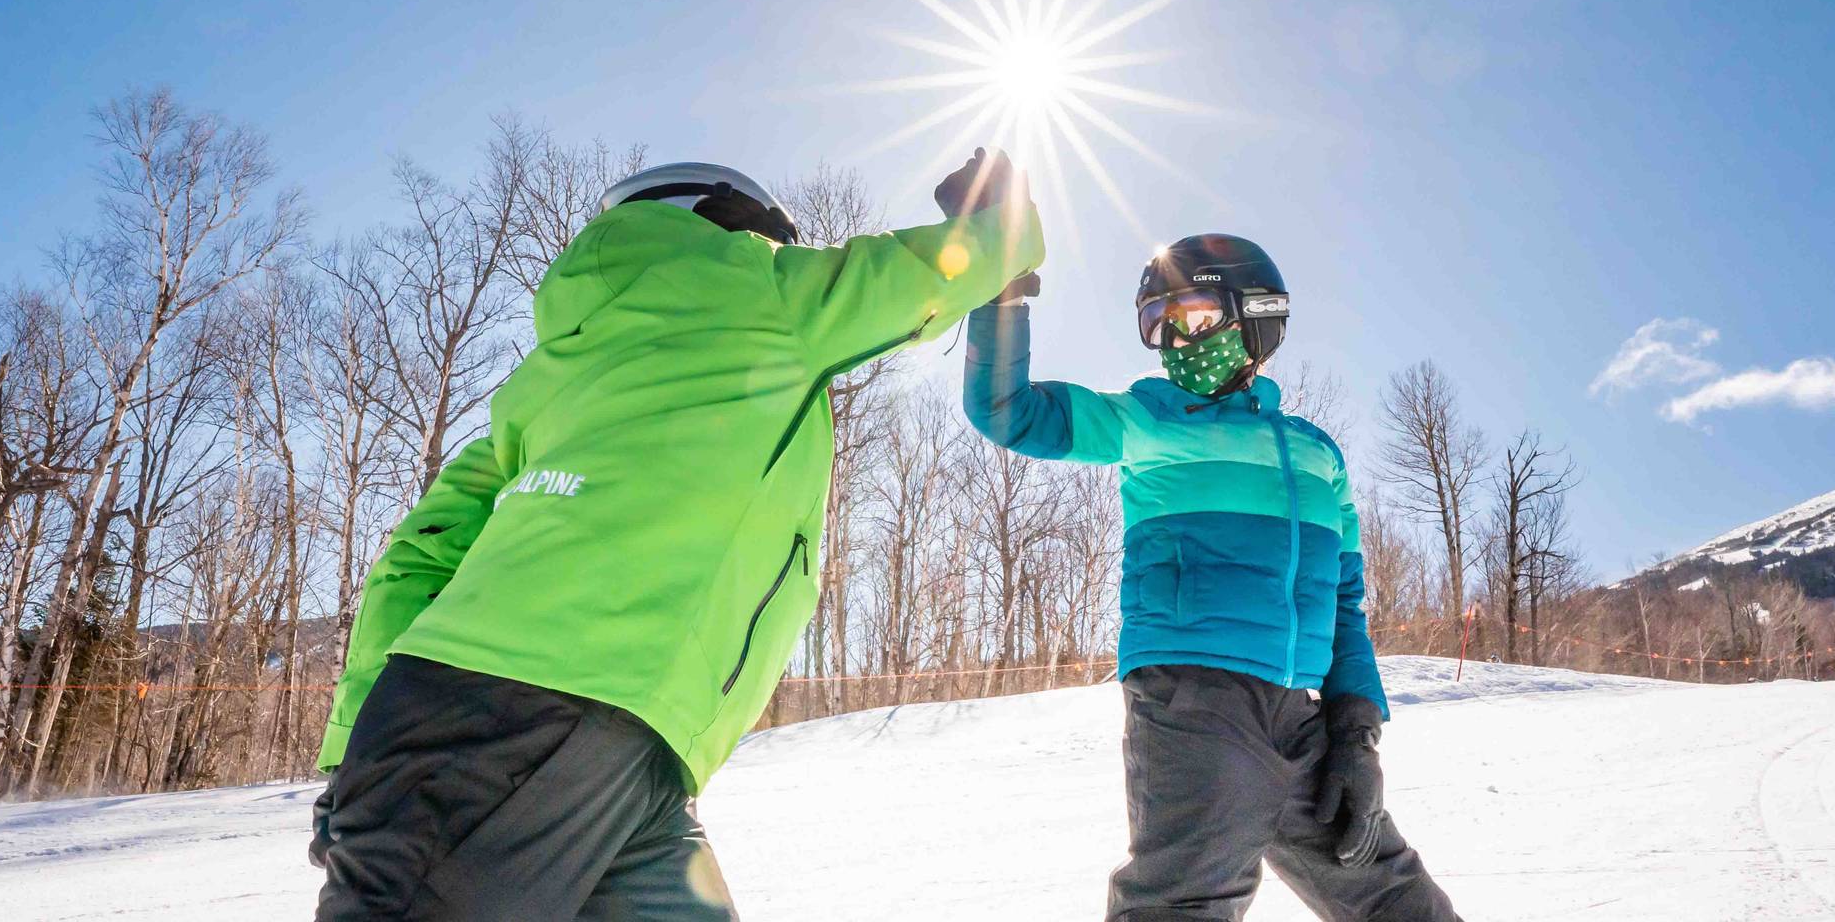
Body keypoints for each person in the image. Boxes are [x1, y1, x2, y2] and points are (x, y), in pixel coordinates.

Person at [310, 150, 1043, 920]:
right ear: (736, 224)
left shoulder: (549, 376)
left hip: (607, 752)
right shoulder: (756, 285)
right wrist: (1003, 217)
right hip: (510, 727)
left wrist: (351, 747)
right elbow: (935, 273)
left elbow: (419, 552)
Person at [963, 234, 1459, 921]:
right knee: (1184, 900)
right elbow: (1006, 412)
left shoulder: (1319, 456)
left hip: (1301, 716)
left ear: (1255, 314)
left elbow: (1345, 604)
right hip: (1192, 700)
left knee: (1393, 896)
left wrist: (1356, 731)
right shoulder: (1143, 418)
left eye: (1191, 317)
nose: (1173, 342)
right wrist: (1000, 292)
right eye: (1155, 326)